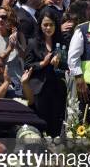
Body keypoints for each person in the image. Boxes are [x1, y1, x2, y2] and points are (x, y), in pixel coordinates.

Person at [24, 8, 66, 136]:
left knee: (56, 125)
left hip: (57, 89)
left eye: (51, 25)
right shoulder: (33, 43)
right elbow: (27, 65)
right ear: (40, 25)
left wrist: (60, 62)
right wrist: (43, 63)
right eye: (45, 25)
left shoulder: (61, 42)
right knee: (41, 124)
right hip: (39, 90)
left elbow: (68, 65)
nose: (48, 28)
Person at [0, 6, 27, 97]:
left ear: (10, 19)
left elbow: (24, 56)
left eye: (4, 17)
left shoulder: (20, 35)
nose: (0, 20)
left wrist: (16, 44)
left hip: (18, 82)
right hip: (1, 82)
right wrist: (9, 48)